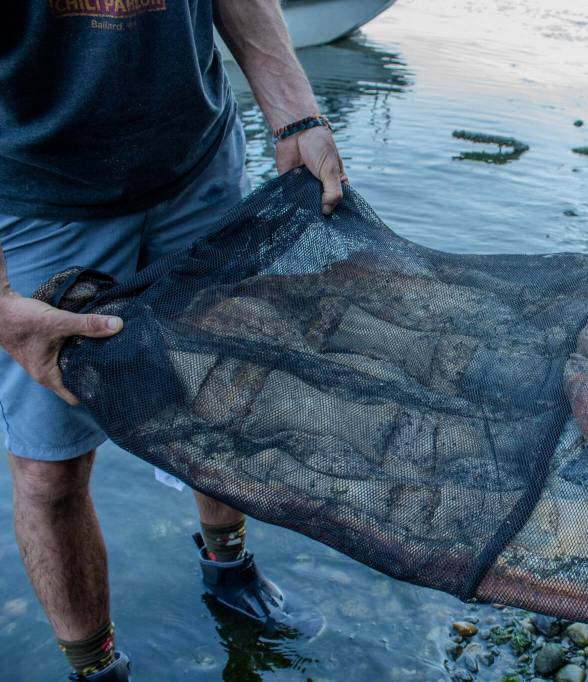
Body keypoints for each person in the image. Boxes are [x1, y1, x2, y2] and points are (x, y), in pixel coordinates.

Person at [0, 3, 346, 680]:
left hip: (196, 167)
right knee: (49, 466)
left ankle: (229, 569)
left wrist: (297, 113)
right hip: (35, 199)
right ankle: (96, 666)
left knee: (218, 399)